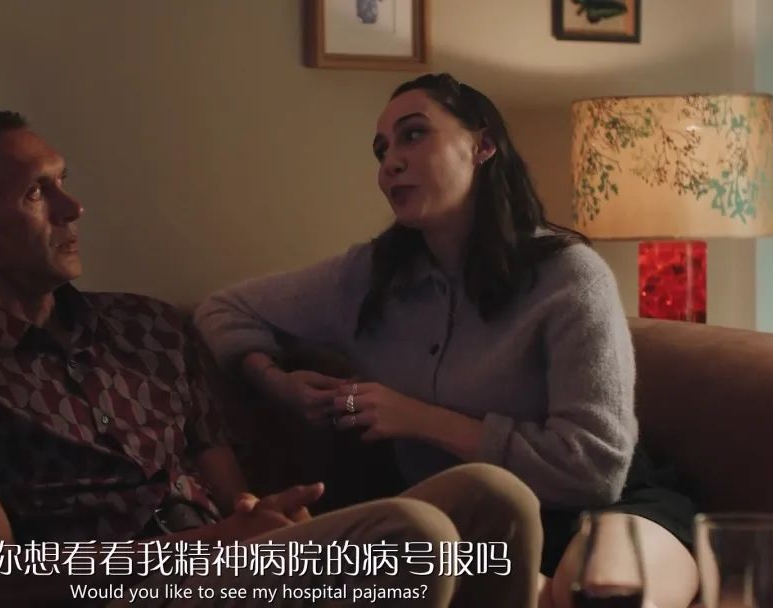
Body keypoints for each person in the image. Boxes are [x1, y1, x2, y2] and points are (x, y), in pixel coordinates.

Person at [0, 110, 544, 607]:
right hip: (126, 591)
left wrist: (264, 516)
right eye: (37, 193)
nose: (73, 207)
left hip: (230, 569)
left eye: (63, 182)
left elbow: (235, 495)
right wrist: (212, 544)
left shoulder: (146, 325)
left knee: (495, 497)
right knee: (416, 534)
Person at [193, 73, 700, 608]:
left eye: (414, 135)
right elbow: (222, 309)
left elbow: (595, 472)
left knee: (597, 592)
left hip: (607, 508)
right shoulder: (365, 279)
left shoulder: (569, 276)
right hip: (472, 527)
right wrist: (277, 383)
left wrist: (419, 419)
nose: (390, 163)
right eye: (381, 150)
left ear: (482, 145)